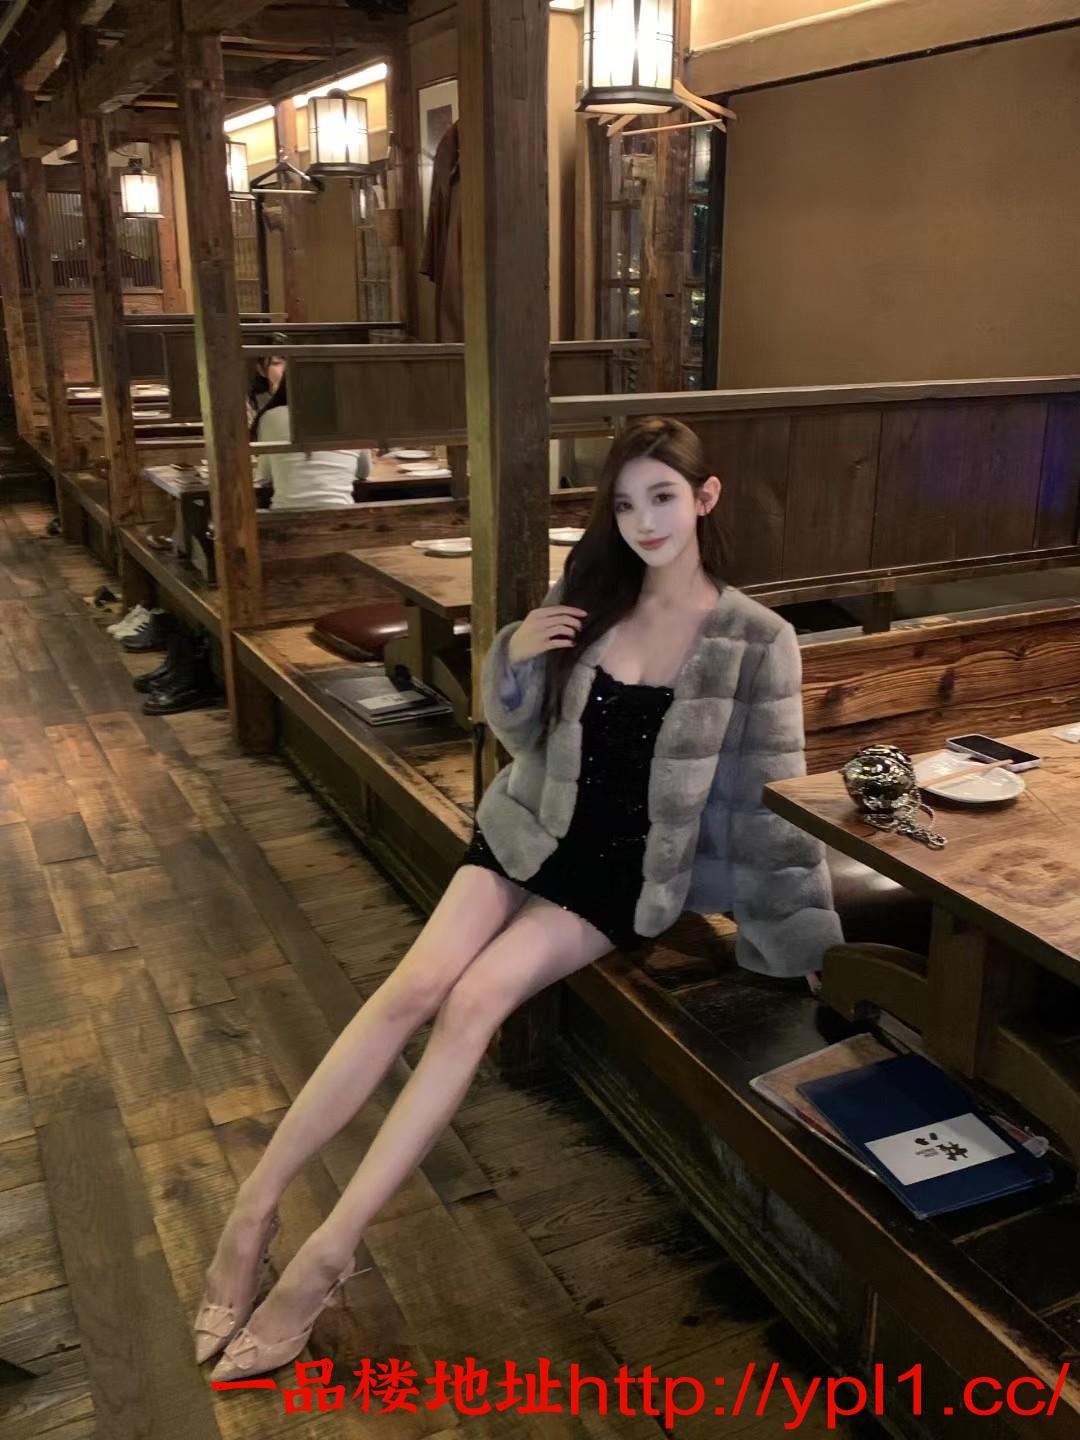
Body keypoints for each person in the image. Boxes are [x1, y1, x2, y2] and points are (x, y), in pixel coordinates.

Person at [195, 416, 843, 1381]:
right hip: (525, 828)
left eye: (664, 498)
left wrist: (801, 945)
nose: (644, 522)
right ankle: (252, 1214)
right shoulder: (591, 594)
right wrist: (515, 656)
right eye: (625, 503)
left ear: (705, 499)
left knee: (473, 1002)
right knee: (409, 990)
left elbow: (769, 800)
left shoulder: (758, 640)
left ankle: (328, 1254)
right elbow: (522, 733)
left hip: (618, 877)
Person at [252, 369, 372, 510]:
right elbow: (364, 471)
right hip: (342, 516)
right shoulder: (351, 416)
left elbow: (265, 476)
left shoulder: (271, 417)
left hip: (286, 517)